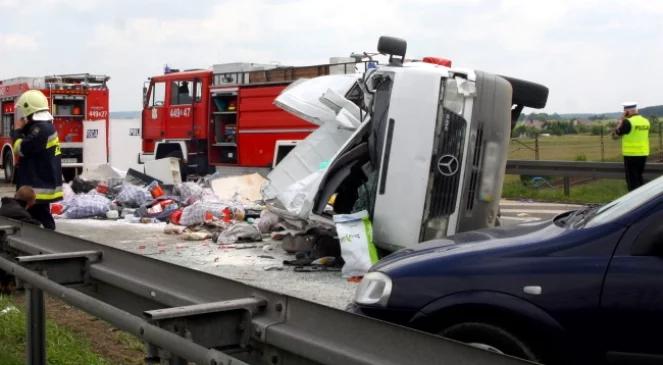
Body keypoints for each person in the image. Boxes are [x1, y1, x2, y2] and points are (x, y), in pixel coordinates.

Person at [12, 89, 63, 229]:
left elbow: (21, 148)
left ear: (29, 109)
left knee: (41, 220)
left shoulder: (40, 130)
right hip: (40, 185)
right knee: (36, 219)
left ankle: (49, 244)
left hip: (38, 188)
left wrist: (17, 131)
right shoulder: (44, 127)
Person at [612, 102, 650, 191]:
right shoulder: (646, 121)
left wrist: (620, 121)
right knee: (639, 178)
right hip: (643, 153)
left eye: (624, 111)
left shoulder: (628, 122)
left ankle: (635, 202)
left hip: (631, 154)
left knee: (632, 181)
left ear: (627, 112)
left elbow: (615, 136)